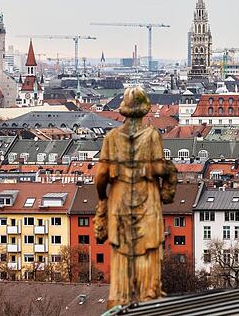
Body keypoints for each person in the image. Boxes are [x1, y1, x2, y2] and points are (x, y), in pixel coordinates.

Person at [94, 86, 177, 309]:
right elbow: (160, 168)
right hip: (147, 198)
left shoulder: (112, 137)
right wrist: (167, 172)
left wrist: (103, 198)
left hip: (119, 199)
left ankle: (119, 301)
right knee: (148, 251)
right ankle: (149, 298)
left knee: (122, 253)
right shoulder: (152, 136)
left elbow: (100, 175)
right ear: (145, 110)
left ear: (123, 110)